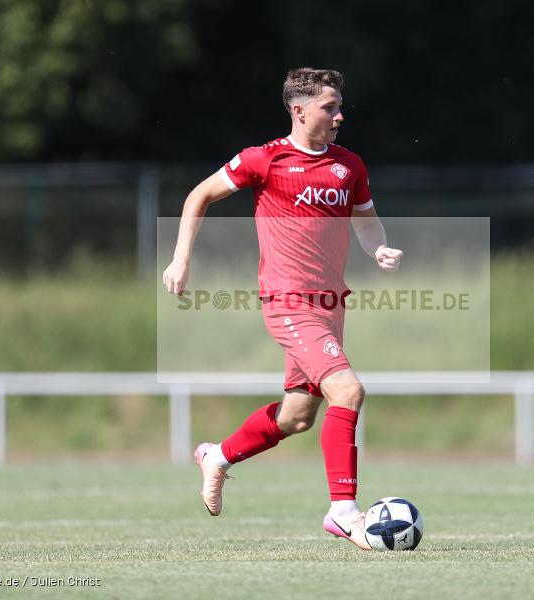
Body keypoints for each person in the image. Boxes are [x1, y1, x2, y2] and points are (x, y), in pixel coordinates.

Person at [162, 68, 403, 551]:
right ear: (300, 111)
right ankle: (343, 512)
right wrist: (181, 258)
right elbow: (199, 195)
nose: (339, 115)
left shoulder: (349, 166)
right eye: (329, 107)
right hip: (288, 301)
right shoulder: (265, 159)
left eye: (340, 106)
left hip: (330, 305)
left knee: (296, 417)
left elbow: (366, 222)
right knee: (348, 391)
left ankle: (218, 456)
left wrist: (378, 248)